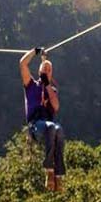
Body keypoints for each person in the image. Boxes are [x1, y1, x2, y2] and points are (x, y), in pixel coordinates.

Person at [19, 47, 65, 191]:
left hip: (48, 127)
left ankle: (58, 176)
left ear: (51, 74)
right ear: (39, 72)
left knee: (58, 129)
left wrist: (47, 85)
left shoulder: (52, 90)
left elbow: (56, 107)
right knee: (52, 127)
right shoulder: (31, 86)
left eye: (49, 70)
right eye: (44, 69)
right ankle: (49, 171)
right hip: (36, 127)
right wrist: (35, 51)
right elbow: (22, 64)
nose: (46, 71)